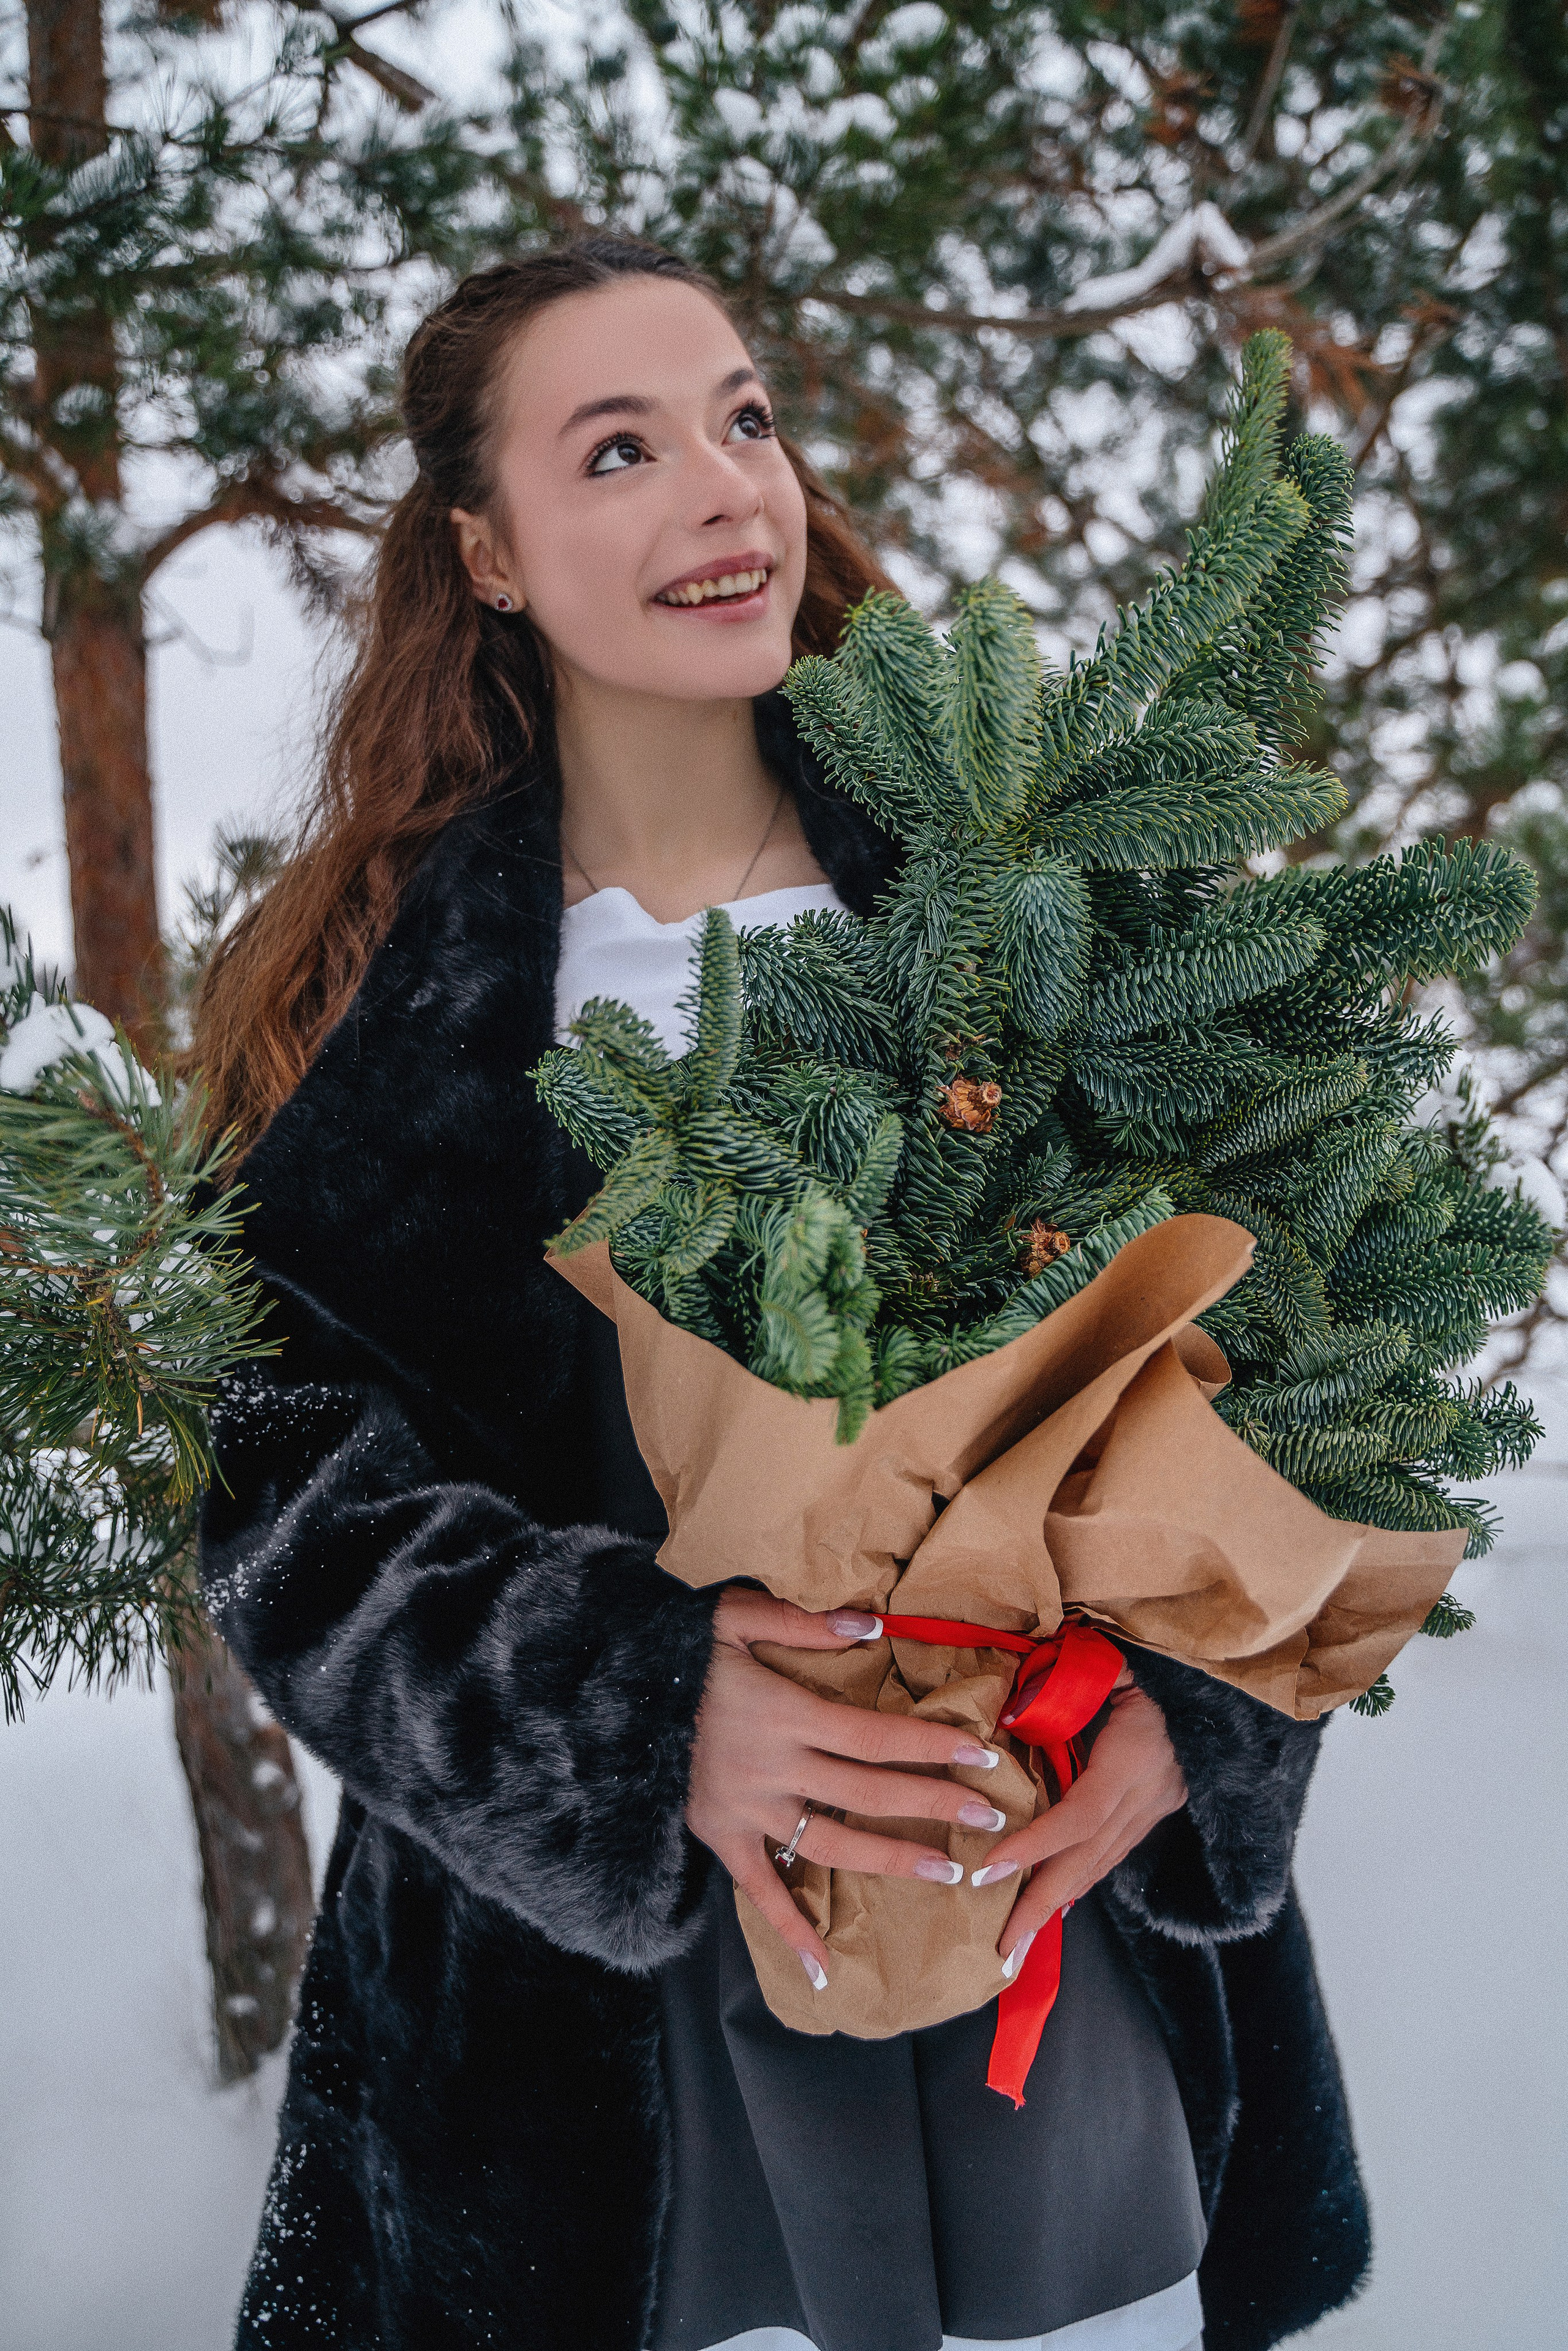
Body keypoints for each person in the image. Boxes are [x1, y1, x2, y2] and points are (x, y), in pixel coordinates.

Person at [194, 238, 1368, 2351]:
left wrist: (1202, 1716)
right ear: (485, 552)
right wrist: (638, 1719)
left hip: (1054, 1923)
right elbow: (288, 1494)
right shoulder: (384, 1013)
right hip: (604, 2020)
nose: (729, 487)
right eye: (618, 449)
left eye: (743, 419)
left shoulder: (1016, 896)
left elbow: (1314, 1353)